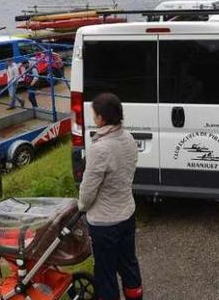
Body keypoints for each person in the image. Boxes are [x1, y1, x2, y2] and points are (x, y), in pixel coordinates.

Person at [77, 93, 143, 300]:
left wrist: (82, 207)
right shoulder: (129, 138)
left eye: (95, 115)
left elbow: (88, 191)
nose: (94, 119)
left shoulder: (100, 148)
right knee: (129, 264)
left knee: (106, 273)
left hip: (105, 223)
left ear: (102, 119)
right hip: (127, 214)